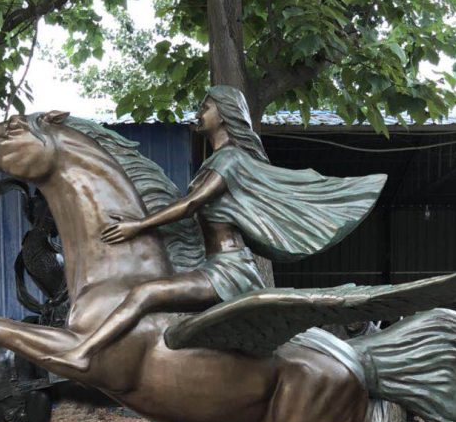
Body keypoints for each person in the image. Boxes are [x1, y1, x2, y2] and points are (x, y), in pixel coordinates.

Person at [51, 85, 385, 372]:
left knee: (144, 293)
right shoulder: (214, 161)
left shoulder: (230, 160)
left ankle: (83, 353)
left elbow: (190, 206)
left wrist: (137, 226)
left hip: (228, 270)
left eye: (205, 107)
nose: (199, 114)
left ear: (224, 115)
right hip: (213, 265)